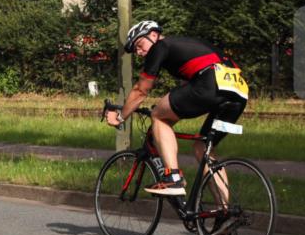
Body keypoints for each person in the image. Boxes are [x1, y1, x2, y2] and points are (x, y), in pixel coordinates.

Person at [104, 21, 248, 196]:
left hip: (210, 83)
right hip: (239, 92)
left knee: (158, 116)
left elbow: (141, 90)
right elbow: (188, 84)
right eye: (136, 51)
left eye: (139, 45)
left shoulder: (161, 46)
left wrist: (120, 116)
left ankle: (173, 179)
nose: (139, 53)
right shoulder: (185, 44)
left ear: (153, 35)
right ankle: (223, 210)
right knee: (202, 147)